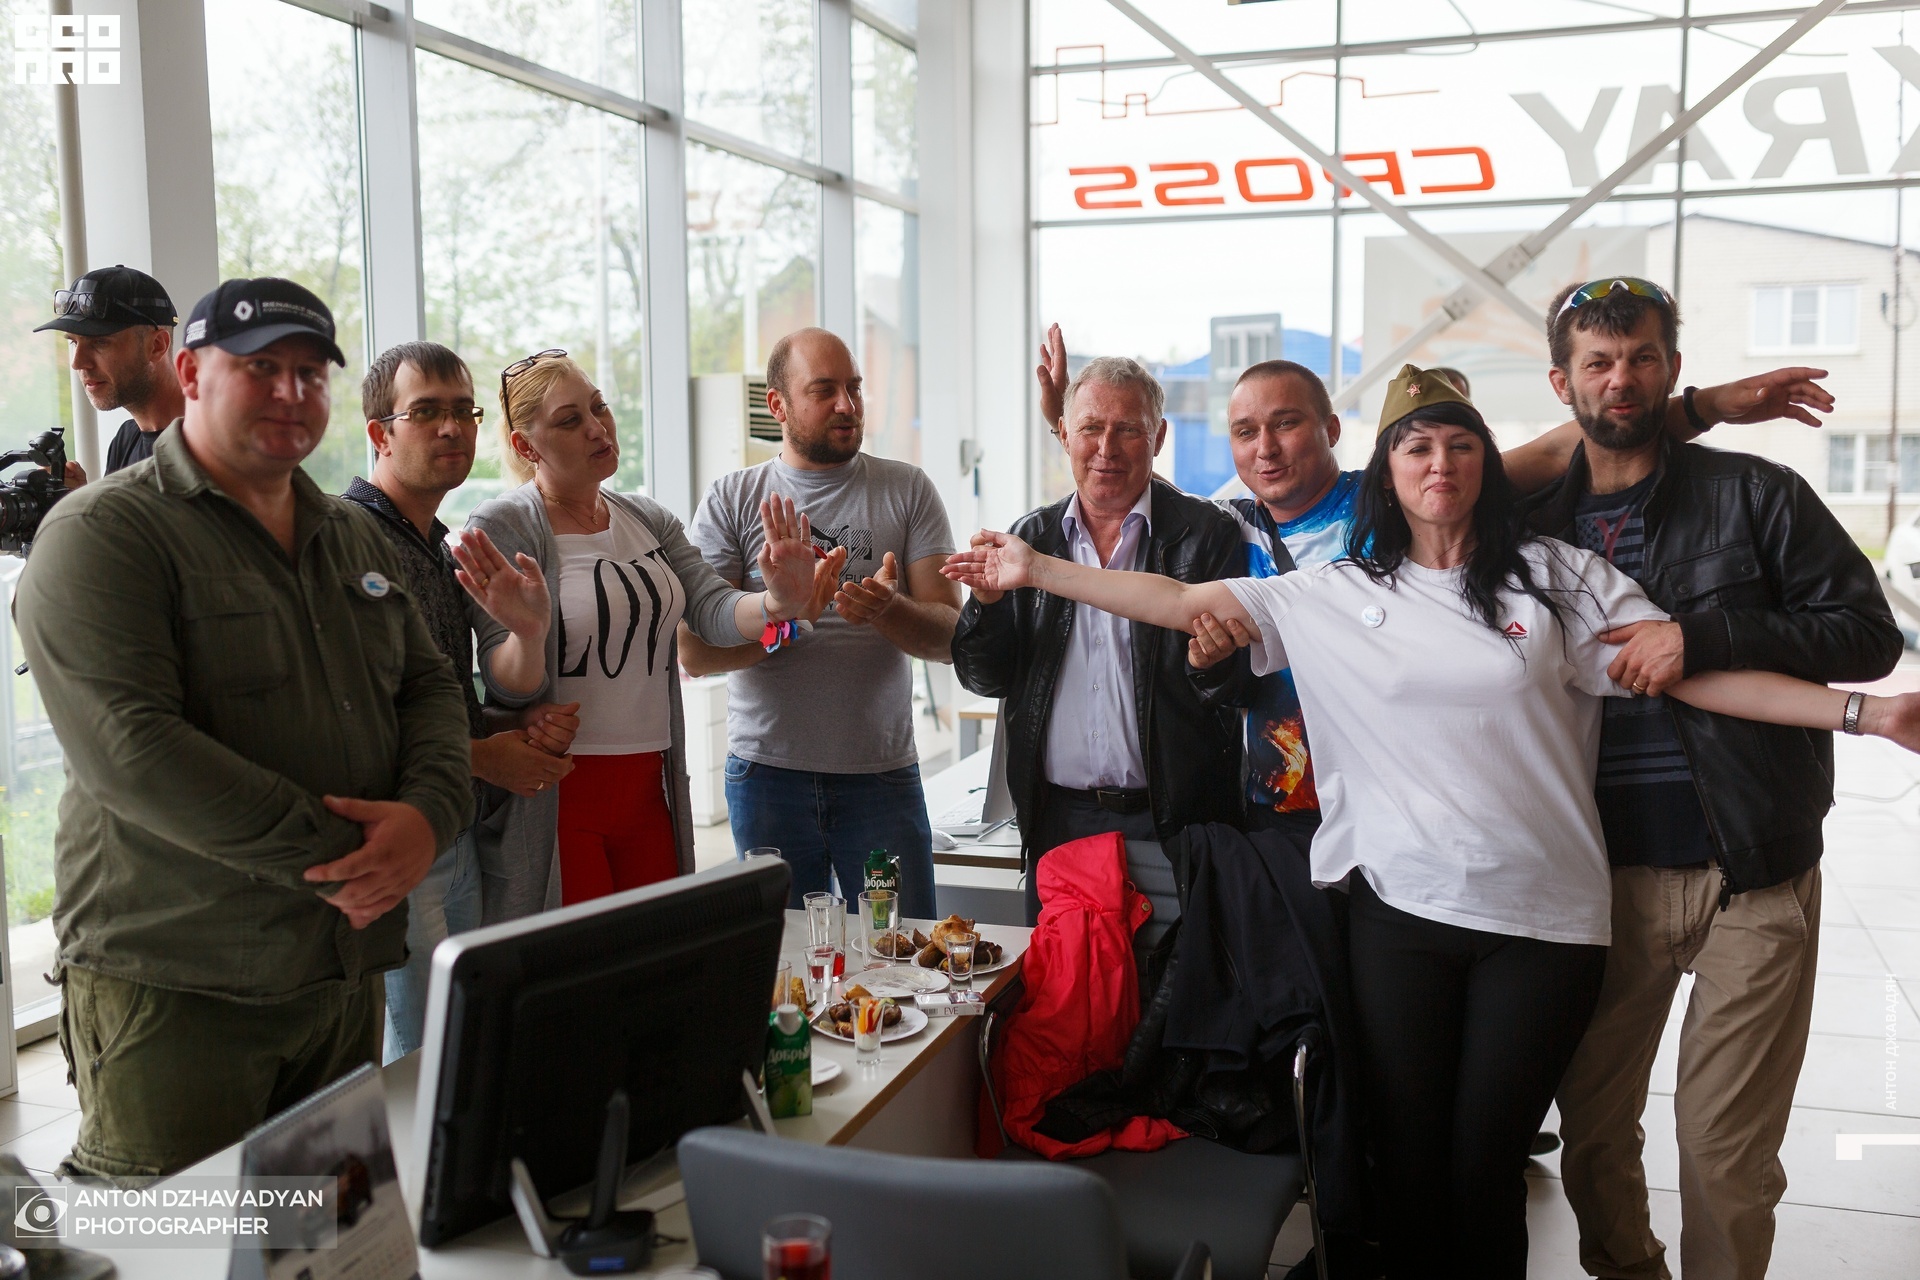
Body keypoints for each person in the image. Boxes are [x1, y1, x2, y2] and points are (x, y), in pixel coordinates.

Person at [942, 364, 1920, 1279]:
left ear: (1486, 464)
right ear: (1390, 472)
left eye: (1459, 445)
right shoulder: (1338, 592)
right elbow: (1172, 598)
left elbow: (1686, 672)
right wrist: (1035, 569)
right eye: (1417, 447)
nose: (1439, 463)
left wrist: (1866, 712)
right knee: (1406, 1167)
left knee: (1484, 1169)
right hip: (1398, 917)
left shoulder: (1559, 579)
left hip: (1543, 925)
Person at [14, 278, 473, 1178]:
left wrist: (427, 819)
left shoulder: (350, 536)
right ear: (189, 373)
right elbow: (134, 752)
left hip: (338, 970)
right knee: (171, 1235)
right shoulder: (103, 533)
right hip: (181, 984)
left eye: (310, 373)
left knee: (323, 1233)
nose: (290, 393)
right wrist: (355, 858)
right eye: (260, 368)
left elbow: (429, 690)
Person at [1033, 324, 1837, 836]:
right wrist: (1066, 426)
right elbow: (1118, 474)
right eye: (1246, 431)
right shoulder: (1218, 527)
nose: (1267, 448)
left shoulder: (1400, 499)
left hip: (1410, 809)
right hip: (1274, 811)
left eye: (1287, 424)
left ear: (1331, 430)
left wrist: (1709, 405)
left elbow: (1566, 448)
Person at [1524, 279, 1904, 1280]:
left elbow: (1865, 634)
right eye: (1599, 362)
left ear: (1672, 370)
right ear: (1562, 382)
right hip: (1595, 880)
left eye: (1642, 358)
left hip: (1752, 869)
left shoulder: (1756, 495)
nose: (1622, 379)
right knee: (1593, 1131)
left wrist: (1705, 635)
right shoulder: (1518, 525)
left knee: (1723, 1152)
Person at [455, 350, 834, 911]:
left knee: (655, 949)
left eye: (599, 407)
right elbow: (507, 685)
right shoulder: (505, 523)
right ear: (525, 446)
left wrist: (778, 601)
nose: (597, 427)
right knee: (587, 956)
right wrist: (530, 634)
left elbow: (713, 611)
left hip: (649, 787)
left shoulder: (647, 517)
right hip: (561, 791)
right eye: (570, 420)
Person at [345, 341, 587, 1061]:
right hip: (399, 839)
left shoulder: (441, 543)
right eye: (426, 412)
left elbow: (444, 693)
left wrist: (516, 712)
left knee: (466, 1045)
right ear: (380, 433)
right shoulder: (348, 540)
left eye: (463, 411)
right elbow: (358, 712)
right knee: (424, 1059)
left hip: (454, 829)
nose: (451, 427)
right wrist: (486, 756)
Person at [953, 355, 1245, 925]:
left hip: (1172, 820)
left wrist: (1211, 664)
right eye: (1091, 428)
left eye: (1128, 429)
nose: (1106, 448)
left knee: (1176, 977)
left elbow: (1235, 690)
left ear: (1158, 438)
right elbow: (986, 679)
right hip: (1059, 822)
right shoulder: (1030, 538)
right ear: (1064, 434)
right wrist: (986, 609)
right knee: (1067, 980)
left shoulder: (1205, 535)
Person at [682, 328, 959, 917]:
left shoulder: (907, 489)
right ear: (777, 405)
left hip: (880, 777)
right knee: (783, 958)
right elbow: (695, 652)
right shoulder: (733, 498)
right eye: (824, 390)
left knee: (899, 950)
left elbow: (950, 637)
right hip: (767, 777)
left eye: (854, 388)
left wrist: (889, 610)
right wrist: (788, 619)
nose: (847, 404)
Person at [35, 264, 186, 481]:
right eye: (74, 342)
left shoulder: (212, 441)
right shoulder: (126, 439)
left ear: (157, 346)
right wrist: (82, 497)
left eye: (100, 343)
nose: (77, 363)